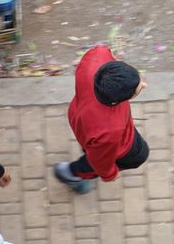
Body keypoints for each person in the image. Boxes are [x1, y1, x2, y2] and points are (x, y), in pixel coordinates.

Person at [54, 45, 149, 194]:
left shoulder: (97, 56)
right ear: (117, 100)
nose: (144, 85)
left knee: (90, 146)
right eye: (138, 88)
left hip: (78, 115)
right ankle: (71, 173)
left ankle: (82, 156)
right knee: (139, 155)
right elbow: (100, 160)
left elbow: (104, 50)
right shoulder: (111, 130)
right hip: (104, 140)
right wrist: (109, 174)